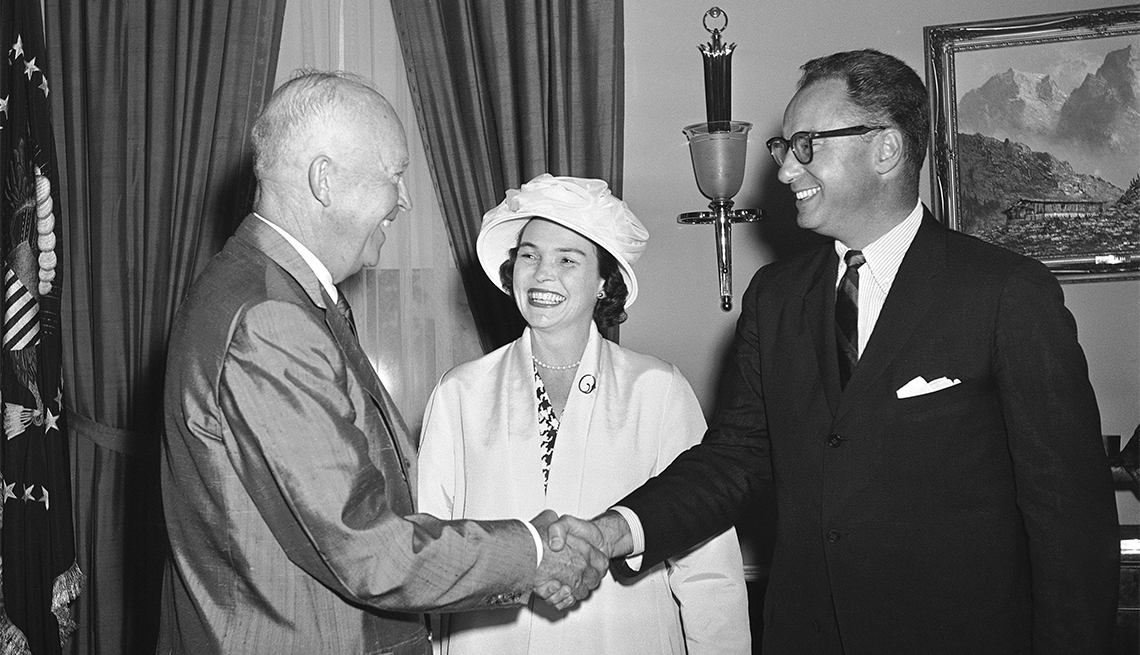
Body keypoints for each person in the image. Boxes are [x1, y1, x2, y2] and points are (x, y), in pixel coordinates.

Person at [552, 49, 1121, 654]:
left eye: (805, 145)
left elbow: (1070, 521)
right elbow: (735, 460)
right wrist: (614, 529)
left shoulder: (1006, 293)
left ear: (885, 149)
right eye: (783, 148)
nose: (784, 172)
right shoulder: (774, 297)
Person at [158, 72, 606, 655]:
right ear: (325, 180)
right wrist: (536, 551)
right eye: (395, 174)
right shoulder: (270, 319)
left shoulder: (260, 290)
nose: (405, 198)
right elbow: (366, 548)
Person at [416, 173, 750, 654]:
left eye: (567, 260)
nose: (541, 273)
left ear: (603, 282)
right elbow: (432, 548)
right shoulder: (460, 392)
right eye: (528, 255)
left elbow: (707, 564)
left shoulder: (657, 390)